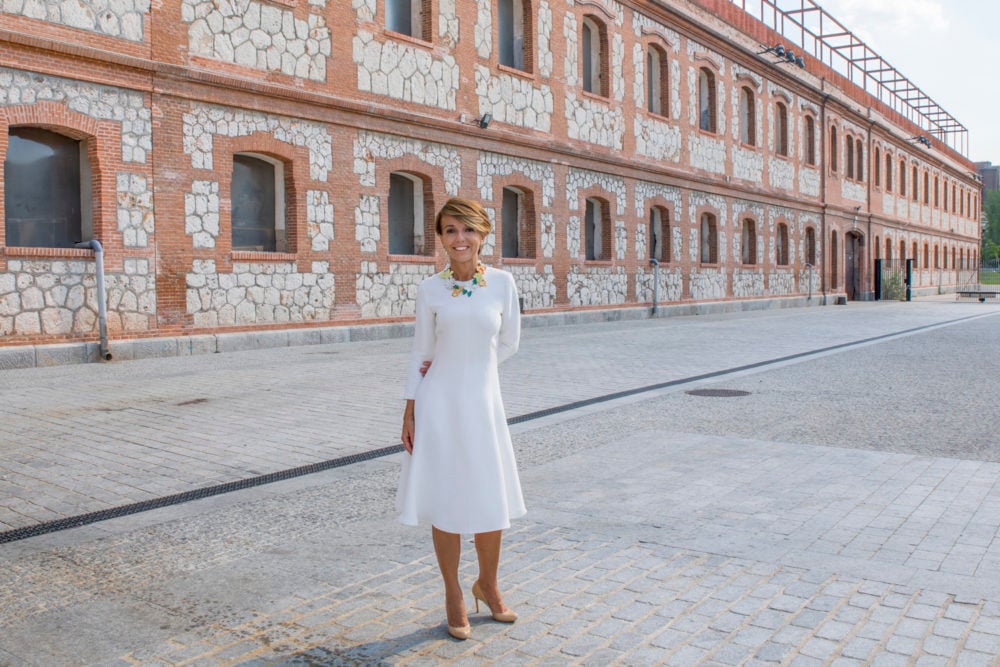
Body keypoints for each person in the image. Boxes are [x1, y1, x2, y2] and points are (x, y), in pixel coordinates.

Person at [397, 197, 525, 640]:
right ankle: (453, 592)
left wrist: (476, 367)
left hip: (484, 404)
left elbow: (509, 342)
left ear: (483, 235)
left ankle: (487, 585)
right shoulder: (430, 289)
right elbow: (421, 353)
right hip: (439, 406)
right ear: (441, 237)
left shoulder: (503, 284)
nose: (459, 239)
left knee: (491, 498)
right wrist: (411, 408)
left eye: (467, 230)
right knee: (447, 498)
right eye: (450, 230)